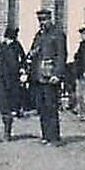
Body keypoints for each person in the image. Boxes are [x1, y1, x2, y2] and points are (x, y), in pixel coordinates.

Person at [27, 8, 68, 144]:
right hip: (39, 76)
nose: (42, 23)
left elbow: (62, 56)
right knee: (41, 107)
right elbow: (33, 52)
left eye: (44, 20)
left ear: (50, 19)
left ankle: (54, 137)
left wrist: (58, 74)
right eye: (40, 20)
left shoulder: (58, 34)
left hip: (51, 76)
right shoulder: (39, 35)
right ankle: (45, 136)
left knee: (51, 107)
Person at [5, 26, 29, 118]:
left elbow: (23, 57)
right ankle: (8, 108)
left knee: (15, 92)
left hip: (15, 73)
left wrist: (23, 68)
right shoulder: (4, 46)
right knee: (7, 91)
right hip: (6, 73)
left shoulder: (17, 45)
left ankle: (15, 109)